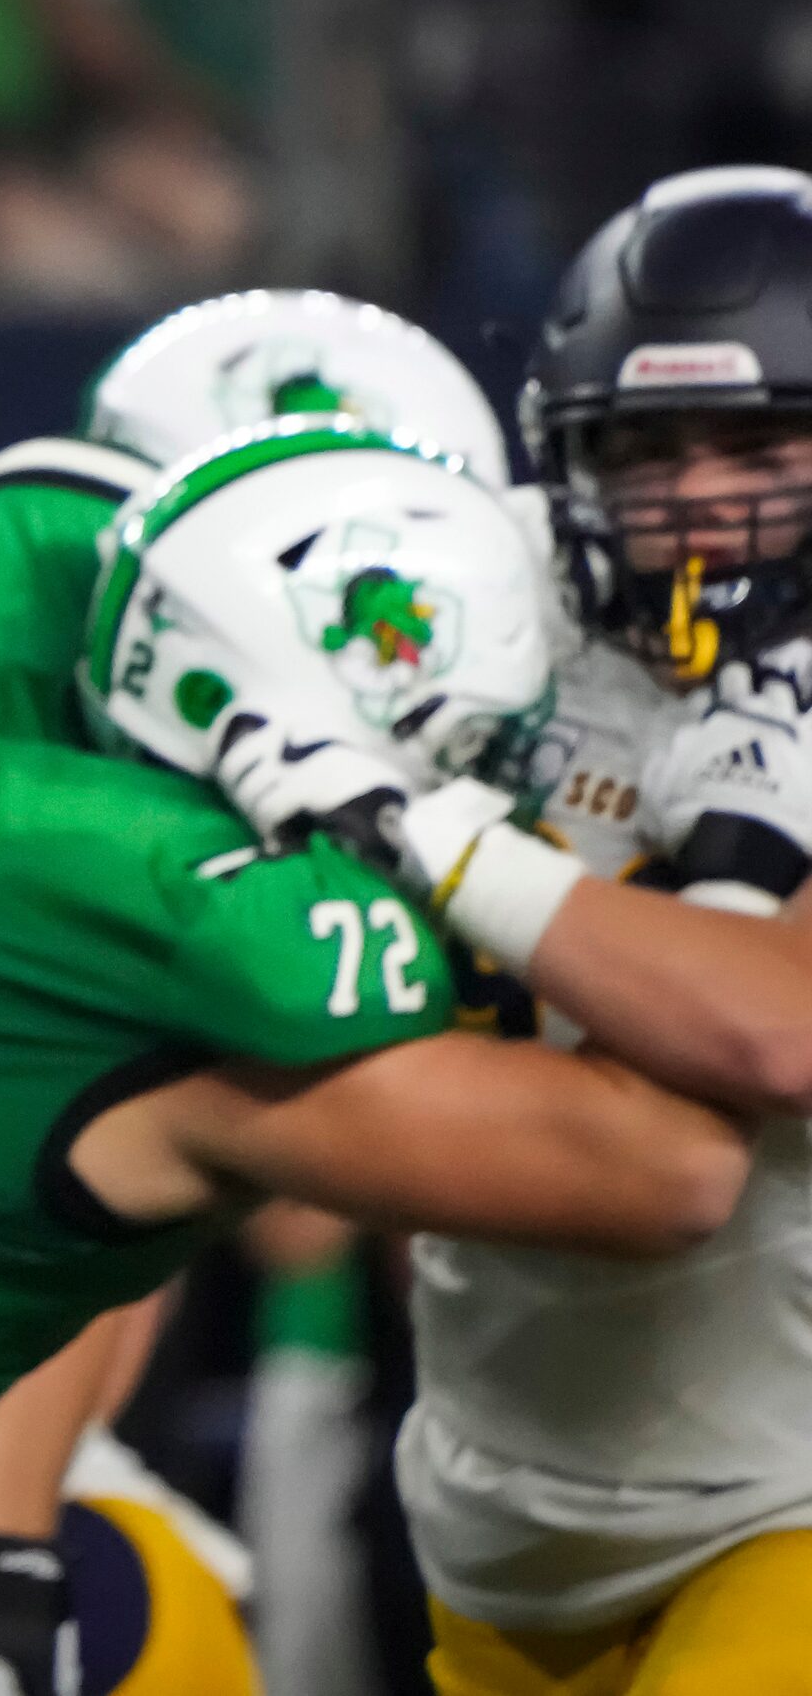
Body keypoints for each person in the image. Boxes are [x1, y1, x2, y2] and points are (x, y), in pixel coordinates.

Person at [0, 408, 812, 1696]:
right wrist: (721, 856)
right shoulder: (195, 914)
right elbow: (667, 1167)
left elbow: (40, 1244)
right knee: (159, 1624)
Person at [386, 163, 812, 1696]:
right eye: (647, 447)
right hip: (498, 1494)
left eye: (760, 438)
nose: (701, 495)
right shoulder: (479, 608)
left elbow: (774, 1027)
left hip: (787, 1500)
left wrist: (413, 826)